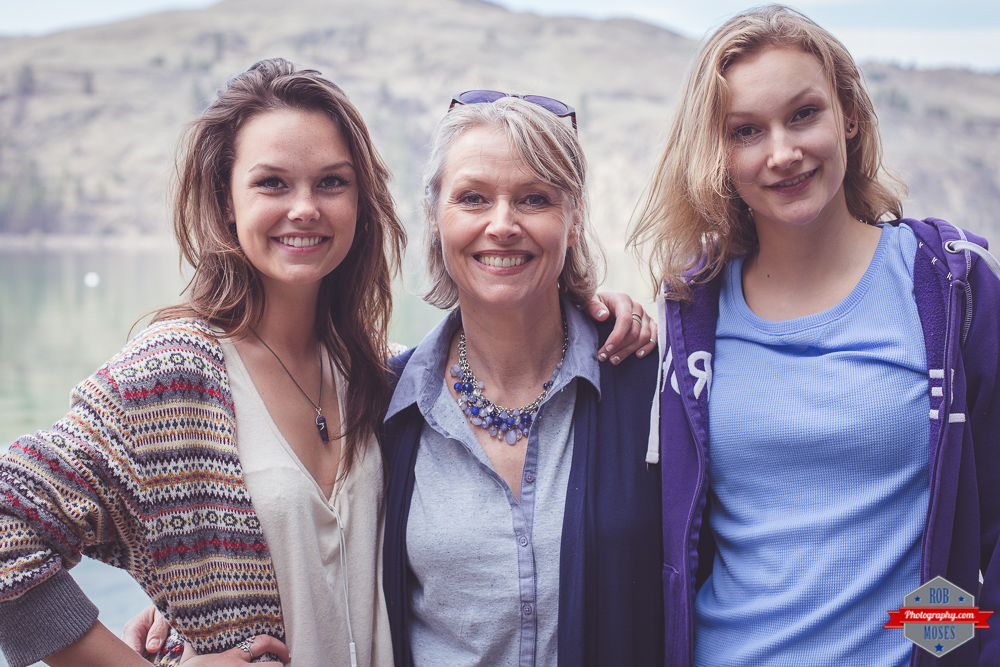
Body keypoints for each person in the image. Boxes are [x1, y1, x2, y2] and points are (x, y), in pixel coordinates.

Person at [0, 60, 653, 667]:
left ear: (360, 202)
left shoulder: (379, 376)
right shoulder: (173, 374)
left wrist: (591, 308)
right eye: (272, 183)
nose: (305, 207)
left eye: (331, 182)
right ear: (227, 201)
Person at [629, 5, 1000, 666]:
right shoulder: (692, 310)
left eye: (803, 114)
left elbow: (988, 535)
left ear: (848, 115)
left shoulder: (950, 287)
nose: (783, 153)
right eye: (746, 130)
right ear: (719, 154)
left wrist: (946, 647)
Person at [380, 93, 664, 667]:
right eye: (473, 198)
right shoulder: (383, 404)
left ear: (574, 218)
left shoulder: (652, 387)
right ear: (435, 217)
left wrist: (906, 627)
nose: (503, 225)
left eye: (535, 199)